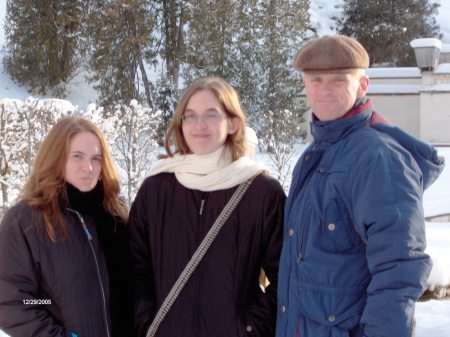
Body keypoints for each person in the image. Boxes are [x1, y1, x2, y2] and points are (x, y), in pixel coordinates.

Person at [276, 35, 445, 337]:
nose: (325, 90)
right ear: (305, 86)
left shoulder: (377, 158)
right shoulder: (316, 153)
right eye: (315, 80)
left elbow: (399, 268)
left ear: (363, 85)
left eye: (339, 80)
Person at [128, 76, 285, 337]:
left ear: (233, 123)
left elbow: (285, 276)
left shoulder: (261, 193)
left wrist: (248, 328)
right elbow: (134, 271)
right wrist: (149, 324)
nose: (199, 125)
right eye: (190, 116)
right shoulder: (155, 190)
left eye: (211, 115)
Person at [0, 116, 136, 337]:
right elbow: (14, 301)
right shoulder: (25, 221)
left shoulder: (114, 215)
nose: (88, 167)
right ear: (56, 158)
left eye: (96, 158)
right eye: (77, 157)